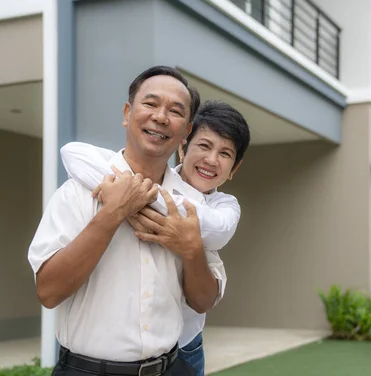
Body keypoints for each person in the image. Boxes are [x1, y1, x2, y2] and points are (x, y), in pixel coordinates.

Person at [28, 66, 227, 376]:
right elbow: (48, 292)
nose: (161, 117)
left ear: (186, 132)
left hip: (172, 368)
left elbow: (203, 302)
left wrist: (191, 249)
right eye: (150, 104)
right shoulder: (79, 192)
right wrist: (112, 214)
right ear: (127, 112)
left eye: (175, 111)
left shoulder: (192, 206)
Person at [60, 100, 251, 376]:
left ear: (234, 168)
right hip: (122, 351)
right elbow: (71, 153)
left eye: (225, 153)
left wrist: (136, 197)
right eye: (204, 146)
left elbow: (218, 230)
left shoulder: (225, 206)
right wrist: (139, 195)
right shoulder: (153, 177)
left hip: (185, 347)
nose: (211, 160)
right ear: (183, 146)